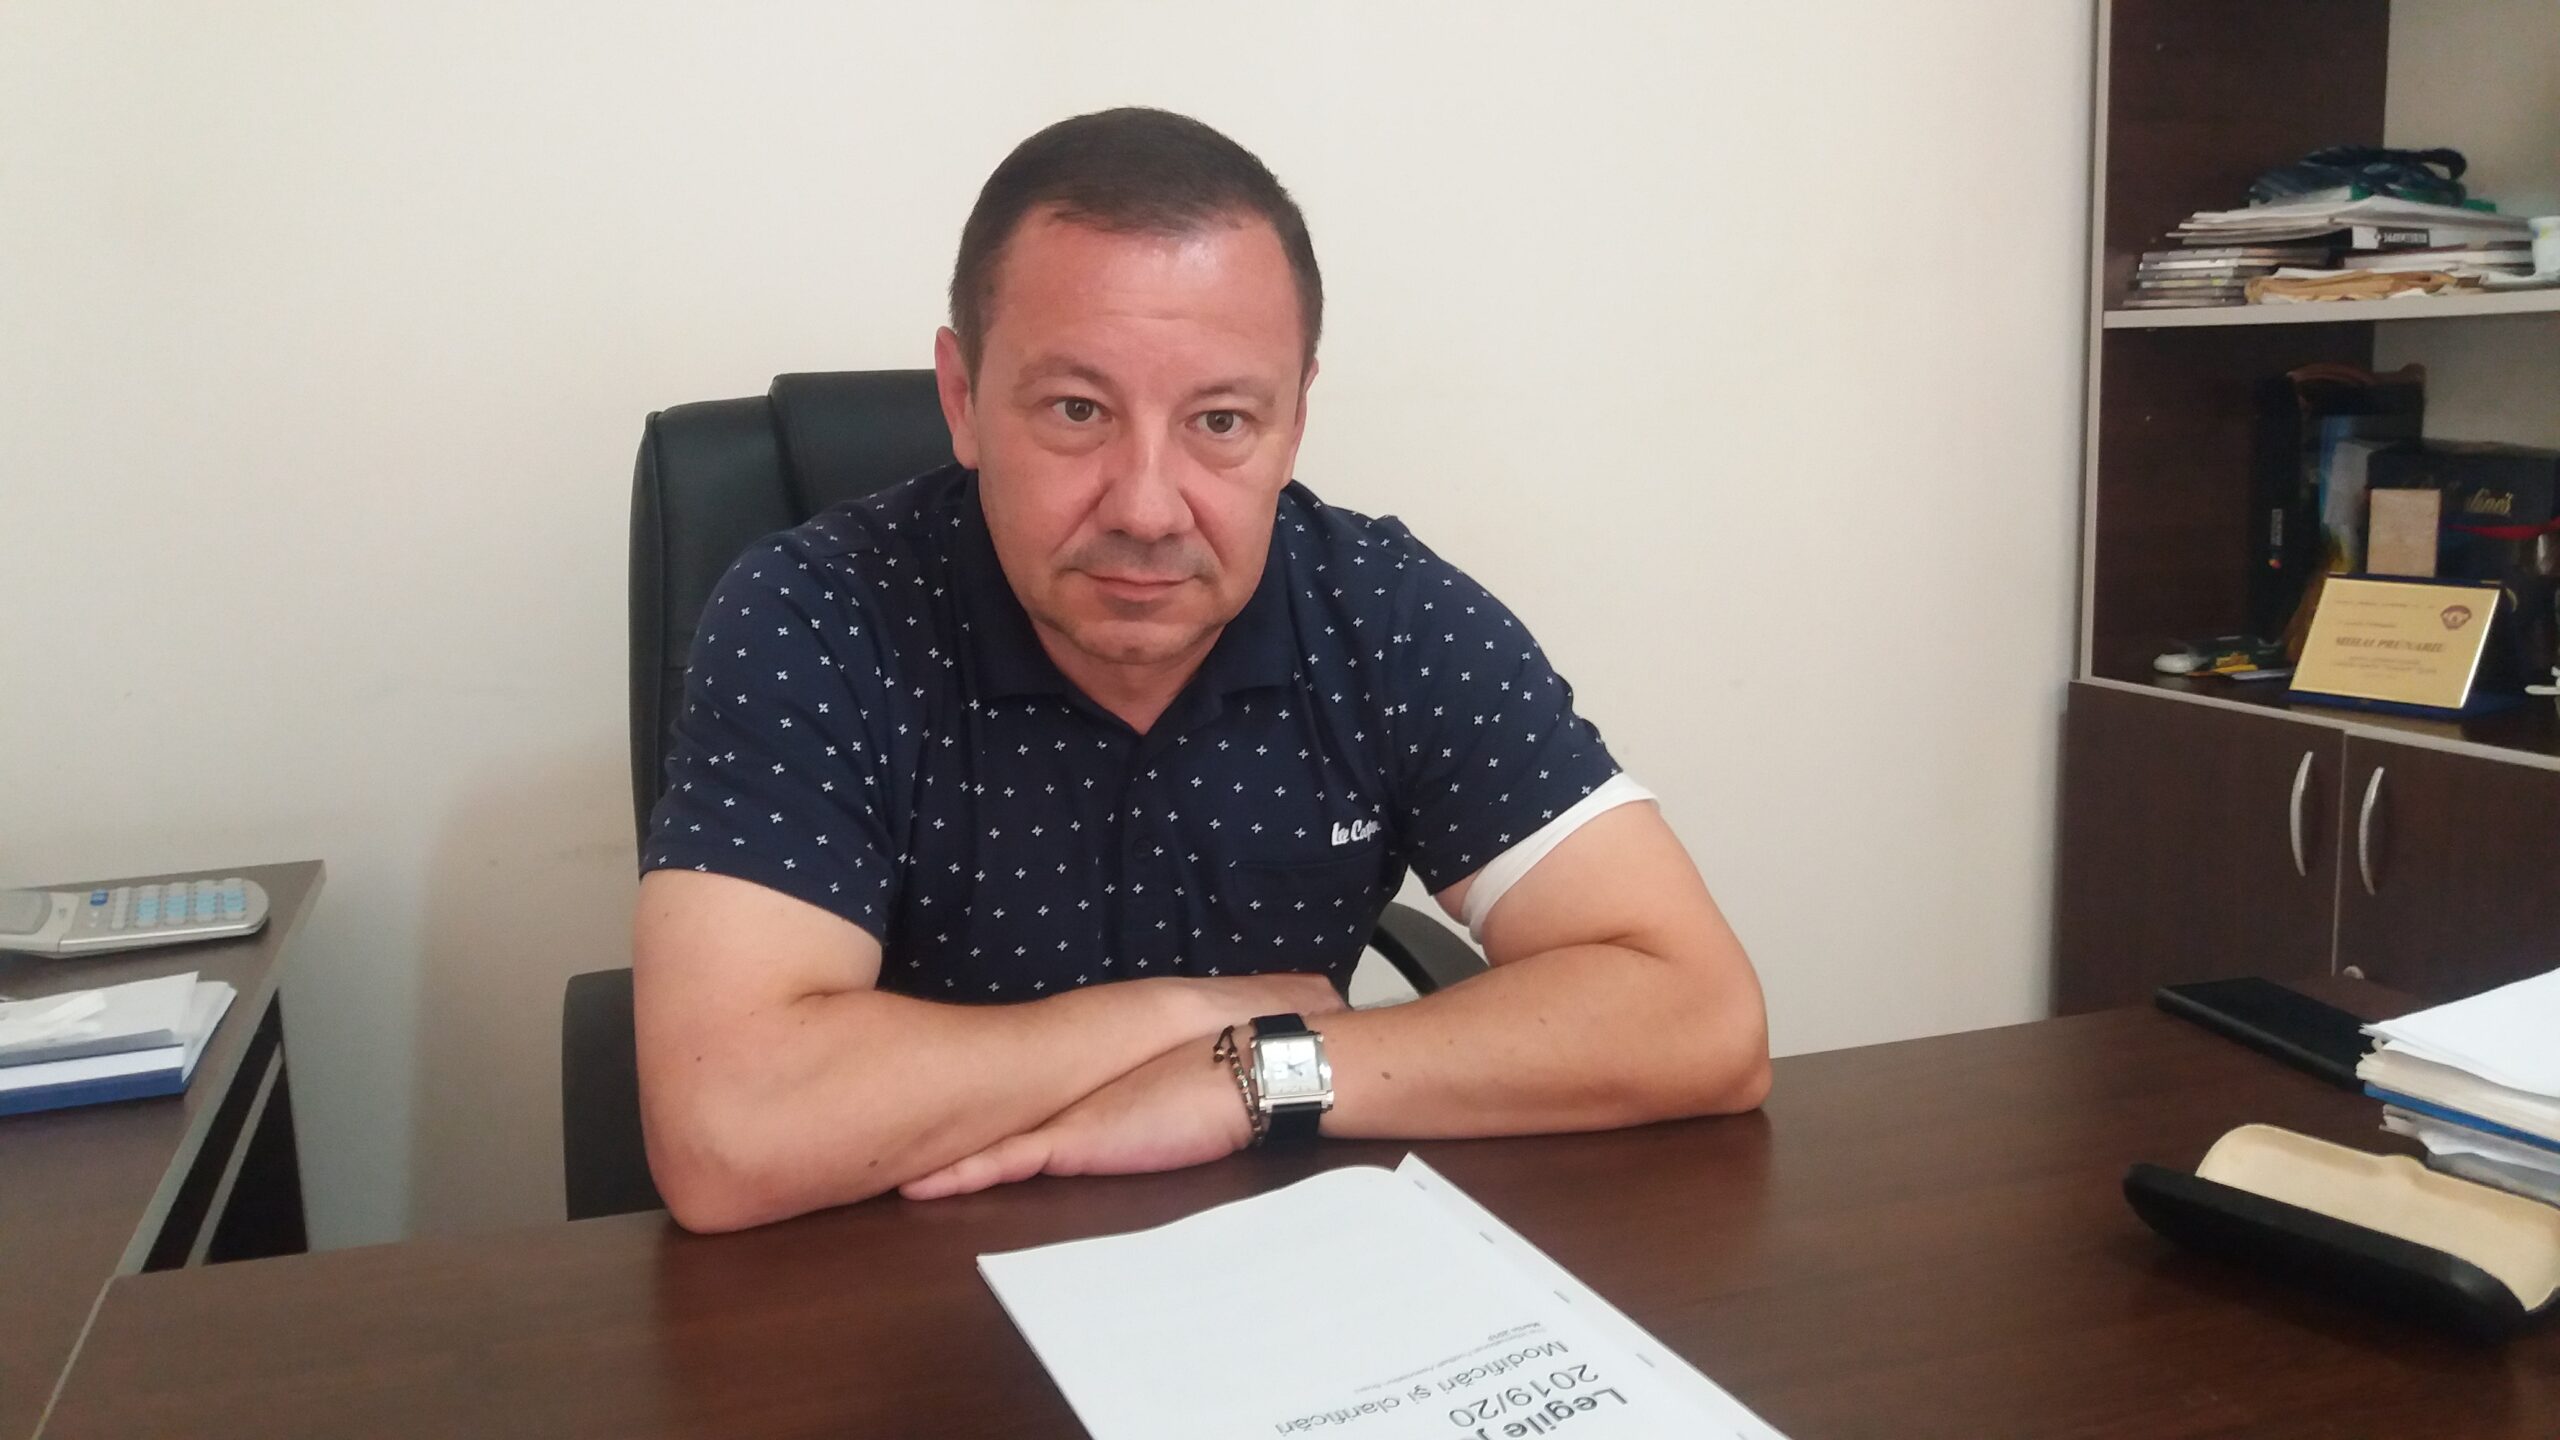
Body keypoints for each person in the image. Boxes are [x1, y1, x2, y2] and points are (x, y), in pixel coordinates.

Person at [632, 107, 1768, 1233]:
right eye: (1076, 410)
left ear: (1295, 420)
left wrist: (1252, 1073)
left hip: (1278, 1263)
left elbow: (1701, 1016)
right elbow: (730, 1131)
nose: (1146, 507)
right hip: (898, 1272)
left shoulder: (1384, 616)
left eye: (1220, 421)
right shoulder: (817, 618)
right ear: (963, 399)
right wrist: (1187, 1016)